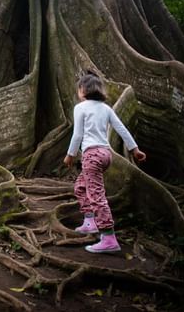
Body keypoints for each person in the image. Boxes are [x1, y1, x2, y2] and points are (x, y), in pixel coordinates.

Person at [63, 73, 146, 254]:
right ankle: (90, 221)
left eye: (79, 88)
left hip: (91, 155)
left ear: (83, 90)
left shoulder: (80, 107)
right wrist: (134, 149)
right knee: (80, 187)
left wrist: (70, 155)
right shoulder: (105, 108)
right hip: (106, 154)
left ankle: (108, 238)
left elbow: (77, 134)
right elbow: (121, 129)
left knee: (97, 196)